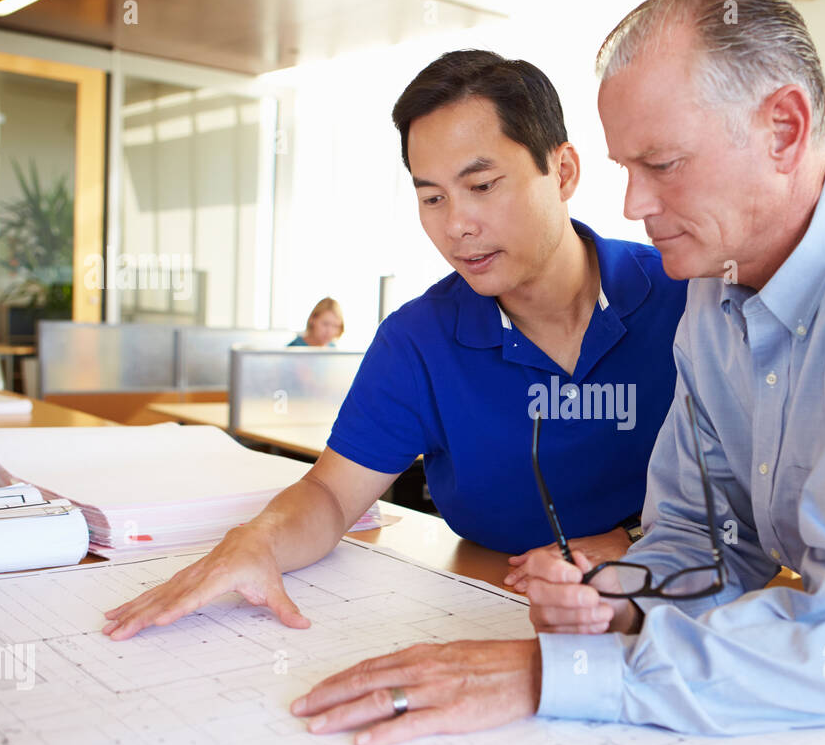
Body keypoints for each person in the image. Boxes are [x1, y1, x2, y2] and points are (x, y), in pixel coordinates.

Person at [283, 0, 825, 745]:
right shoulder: (712, 295)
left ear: (784, 129)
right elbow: (708, 538)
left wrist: (552, 676)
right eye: (625, 167)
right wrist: (615, 586)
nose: (632, 205)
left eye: (663, 165)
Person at [102, 50, 687, 640]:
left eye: (481, 185)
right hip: (491, 608)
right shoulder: (419, 339)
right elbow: (331, 495)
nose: (456, 225)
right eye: (432, 197)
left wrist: (631, 543)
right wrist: (256, 541)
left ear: (562, 173)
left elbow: (750, 496)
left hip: (677, 607)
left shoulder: (685, 297)